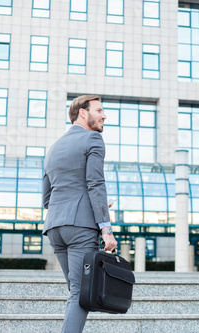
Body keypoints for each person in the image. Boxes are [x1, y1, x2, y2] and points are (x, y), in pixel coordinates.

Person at [42, 94, 117, 333]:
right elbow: (96, 184)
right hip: (81, 228)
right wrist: (106, 229)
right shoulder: (92, 139)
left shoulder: (53, 148)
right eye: (99, 110)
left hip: (55, 228)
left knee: (77, 291)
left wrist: (84, 203)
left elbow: (47, 197)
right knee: (80, 294)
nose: (104, 115)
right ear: (83, 113)